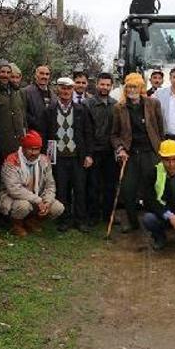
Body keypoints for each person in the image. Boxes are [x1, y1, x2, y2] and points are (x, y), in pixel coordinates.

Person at [111, 72, 165, 233]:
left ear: (141, 88)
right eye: (129, 87)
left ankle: (157, 221)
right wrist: (120, 149)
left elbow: (160, 129)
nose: (131, 90)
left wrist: (160, 149)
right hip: (130, 154)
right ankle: (133, 222)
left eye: (135, 87)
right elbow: (113, 134)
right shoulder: (119, 108)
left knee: (154, 189)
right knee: (128, 189)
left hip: (151, 152)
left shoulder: (153, 103)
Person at [41, 77, 93, 232]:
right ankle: (65, 219)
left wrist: (89, 155)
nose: (65, 91)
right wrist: (45, 155)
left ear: (73, 90)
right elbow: (44, 134)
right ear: (58, 89)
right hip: (58, 157)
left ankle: (81, 220)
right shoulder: (49, 110)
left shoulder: (81, 109)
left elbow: (88, 133)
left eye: (68, 88)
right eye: (62, 88)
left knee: (79, 188)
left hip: (77, 156)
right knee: (62, 189)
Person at [0, 131, 64, 236]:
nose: (34, 152)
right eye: (31, 149)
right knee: (23, 205)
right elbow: (14, 189)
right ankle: (16, 225)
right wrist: (38, 200)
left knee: (58, 208)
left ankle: (32, 221)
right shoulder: (11, 160)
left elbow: (50, 185)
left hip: (37, 197)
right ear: (23, 148)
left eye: (37, 149)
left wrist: (47, 202)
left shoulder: (44, 161)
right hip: (13, 198)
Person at [84, 72, 118, 228]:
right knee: (93, 185)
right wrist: (88, 153)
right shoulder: (88, 104)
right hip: (94, 151)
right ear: (97, 84)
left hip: (110, 151)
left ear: (112, 86)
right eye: (102, 84)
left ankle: (108, 214)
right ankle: (93, 215)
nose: (104, 87)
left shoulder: (115, 104)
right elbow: (86, 131)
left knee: (110, 185)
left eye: (108, 85)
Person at [0, 59, 27, 161]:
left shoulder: (16, 92)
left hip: (17, 142)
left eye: (8, 72)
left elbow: (22, 116)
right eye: (2, 72)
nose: (5, 75)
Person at [22, 65, 55, 131]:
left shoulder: (53, 94)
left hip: (50, 135)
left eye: (47, 74)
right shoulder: (26, 92)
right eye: (41, 73)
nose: (44, 76)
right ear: (35, 75)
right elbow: (23, 114)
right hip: (33, 134)